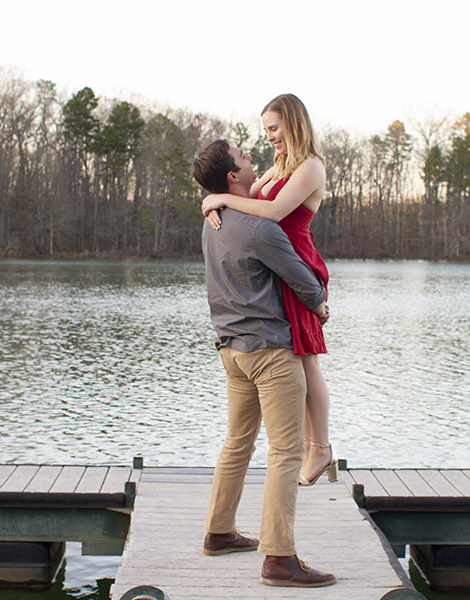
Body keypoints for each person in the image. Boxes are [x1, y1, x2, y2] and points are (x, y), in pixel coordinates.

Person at [192, 139, 337, 588]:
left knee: (238, 441)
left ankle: (218, 532)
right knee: (286, 451)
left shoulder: (213, 221)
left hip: (231, 350)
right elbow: (303, 279)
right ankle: (279, 558)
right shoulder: (260, 229)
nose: (253, 157)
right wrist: (321, 305)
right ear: (233, 176)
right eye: (244, 157)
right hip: (271, 353)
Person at [201, 94, 337, 487]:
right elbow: (247, 201)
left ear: (294, 124)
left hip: (298, 266)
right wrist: (211, 203)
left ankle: (321, 448)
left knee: (308, 360)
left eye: (274, 128)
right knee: (299, 356)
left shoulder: (310, 168)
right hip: (273, 268)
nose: (270, 137)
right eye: (266, 131)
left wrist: (222, 198)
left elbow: (274, 213)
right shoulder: (280, 166)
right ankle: (315, 448)